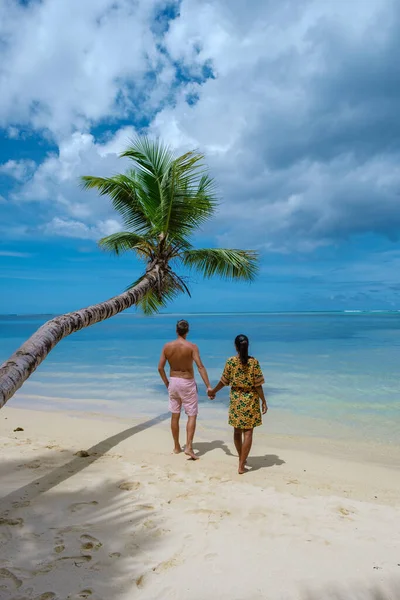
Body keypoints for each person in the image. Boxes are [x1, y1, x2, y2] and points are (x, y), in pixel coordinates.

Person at [208, 334, 268, 474]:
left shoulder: (231, 362)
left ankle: (241, 459)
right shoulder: (254, 362)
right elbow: (258, 385)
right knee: (248, 432)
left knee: (237, 431)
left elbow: (224, 381)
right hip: (251, 399)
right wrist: (263, 401)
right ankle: (241, 464)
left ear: (236, 346)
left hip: (236, 398)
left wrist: (213, 391)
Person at [158, 319, 213, 460]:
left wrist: (167, 383)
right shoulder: (192, 347)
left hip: (174, 382)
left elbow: (160, 368)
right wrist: (208, 386)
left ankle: (176, 446)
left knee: (175, 415)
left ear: (177, 331)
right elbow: (200, 367)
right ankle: (188, 446)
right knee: (192, 415)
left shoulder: (167, 347)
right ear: (187, 331)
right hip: (187, 382)